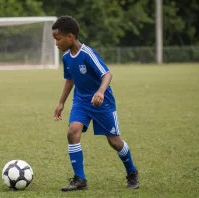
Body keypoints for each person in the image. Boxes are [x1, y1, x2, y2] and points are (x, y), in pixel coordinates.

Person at [52, 16, 139, 192]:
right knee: (72, 131)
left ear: (70, 37)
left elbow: (107, 74)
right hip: (81, 102)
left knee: (114, 141)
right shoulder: (67, 58)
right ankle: (80, 179)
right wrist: (61, 102)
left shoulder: (88, 54)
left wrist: (100, 92)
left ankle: (132, 172)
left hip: (102, 103)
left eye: (58, 38)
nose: (56, 43)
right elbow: (69, 80)